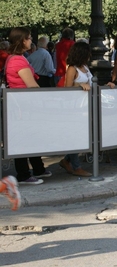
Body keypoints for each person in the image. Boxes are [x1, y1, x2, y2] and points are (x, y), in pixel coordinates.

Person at [5, 27, 53, 185]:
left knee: (31, 136)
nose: (31, 40)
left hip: (22, 104)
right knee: (24, 138)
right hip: (23, 105)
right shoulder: (18, 60)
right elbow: (31, 85)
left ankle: (38, 168)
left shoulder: (16, 57)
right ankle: (24, 174)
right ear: (22, 40)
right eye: (29, 38)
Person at [58, 42, 93, 177]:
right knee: (76, 136)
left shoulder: (85, 67)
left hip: (84, 106)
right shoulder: (72, 69)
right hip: (75, 107)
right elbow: (68, 88)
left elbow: (91, 83)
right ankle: (76, 166)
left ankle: (67, 160)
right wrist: (80, 84)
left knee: (82, 135)